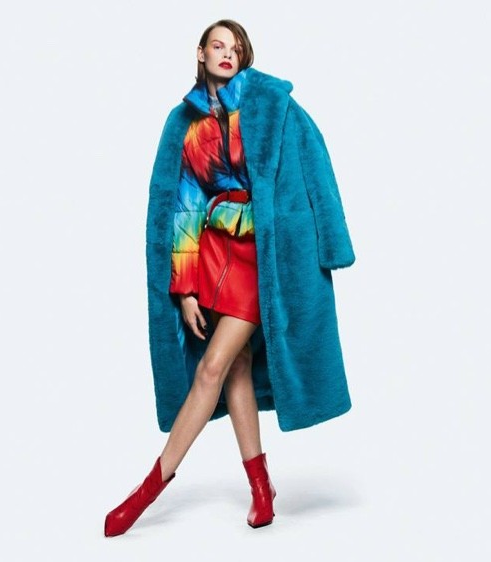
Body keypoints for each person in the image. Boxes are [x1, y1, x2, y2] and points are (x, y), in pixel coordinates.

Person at [103, 19, 355, 537]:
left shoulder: (271, 106)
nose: (227, 53)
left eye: (235, 48)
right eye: (218, 45)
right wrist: (185, 288)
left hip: (261, 255)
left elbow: (316, 167)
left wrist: (333, 245)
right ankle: (261, 489)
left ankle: (147, 489)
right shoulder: (186, 123)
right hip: (213, 256)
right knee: (236, 364)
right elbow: (183, 206)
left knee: (211, 368)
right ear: (200, 53)